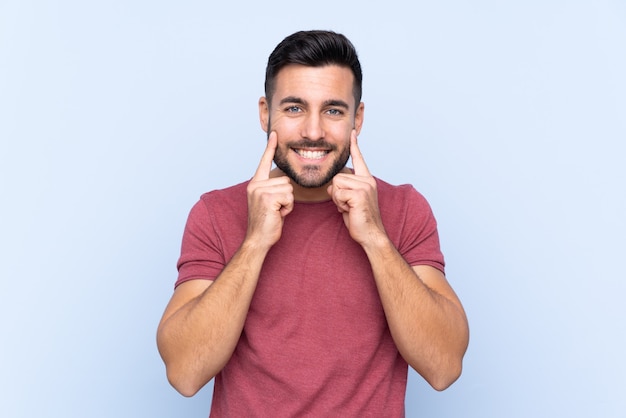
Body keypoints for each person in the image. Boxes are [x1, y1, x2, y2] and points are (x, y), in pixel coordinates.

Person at [157, 30, 469, 417]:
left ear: (358, 119)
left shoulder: (404, 208)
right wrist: (254, 242)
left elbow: (444, 367)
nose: (314, 131)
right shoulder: (215, 213)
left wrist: (375, 237)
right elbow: (185, 373)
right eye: (294, 108)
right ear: (264, 113)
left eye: (334, 111)